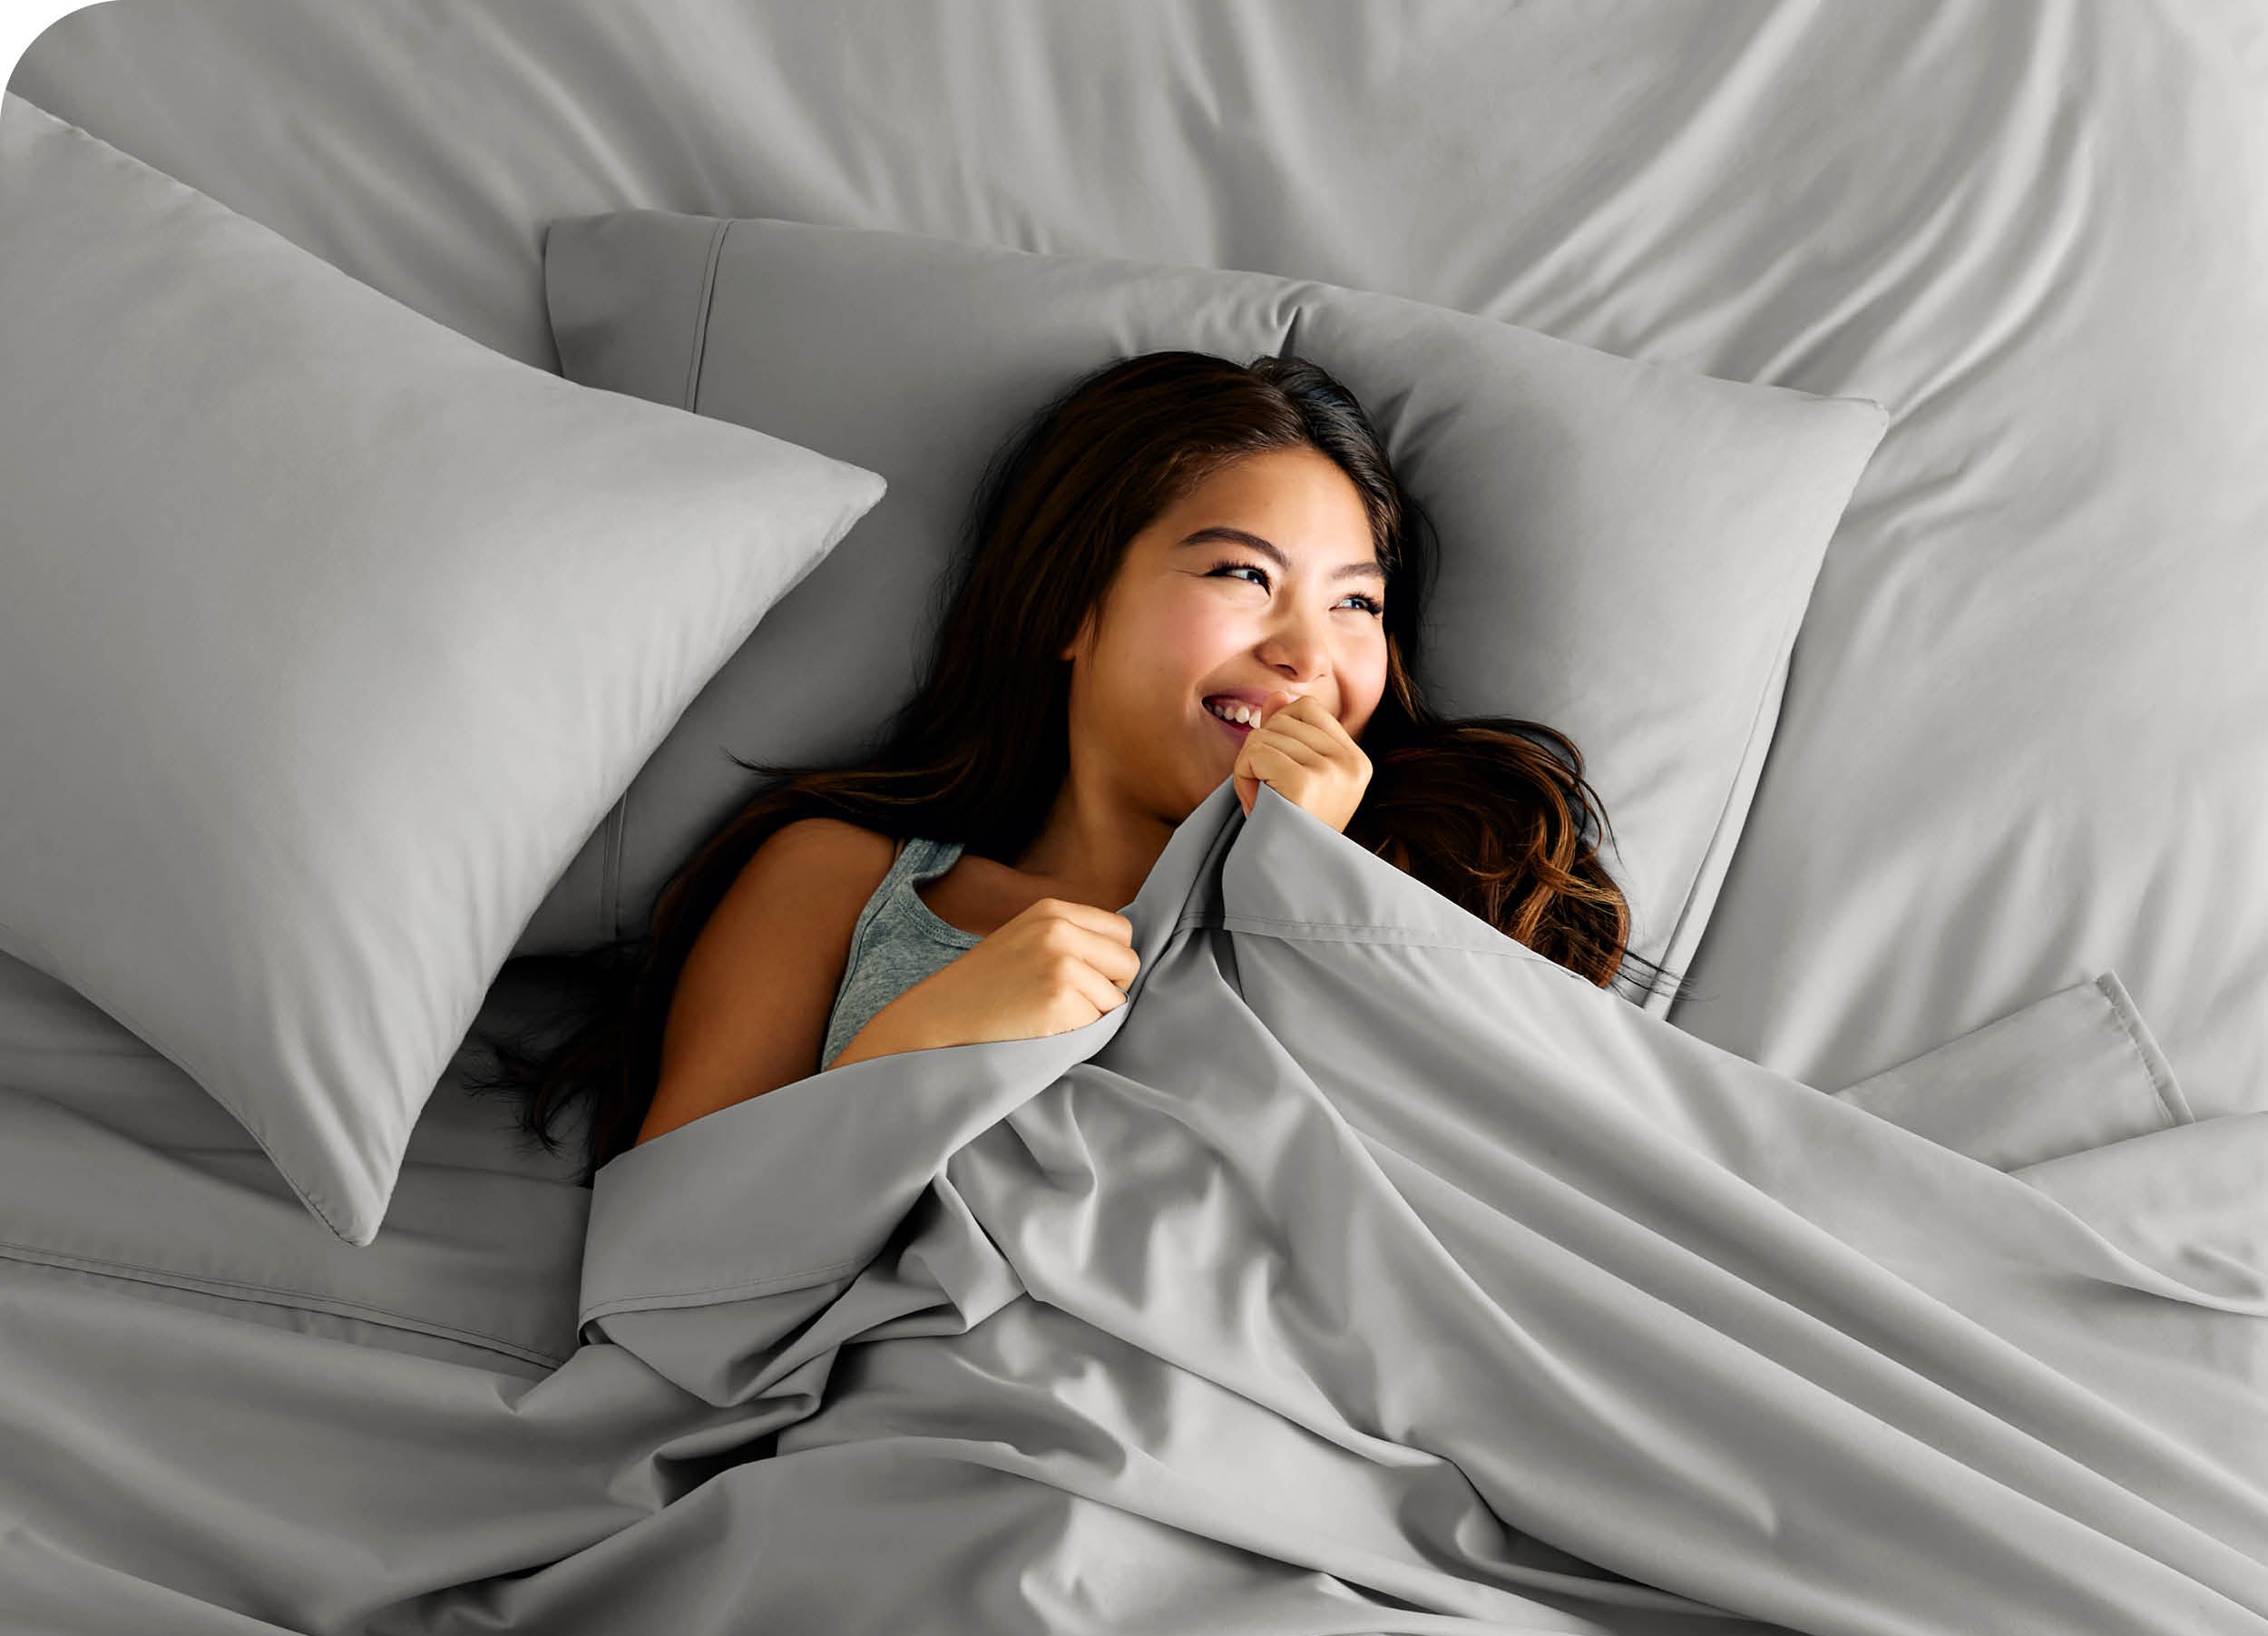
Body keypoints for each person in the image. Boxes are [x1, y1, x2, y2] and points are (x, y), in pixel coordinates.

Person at [477, 350, 1669, 1172]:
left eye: (1357, 603)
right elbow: (660, 1264)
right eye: (1241, 576)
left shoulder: (1423, 896)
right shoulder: (841, 879)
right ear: (1073, 605)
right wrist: (920, 1045)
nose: (1308, 653)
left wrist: (1281, 882)